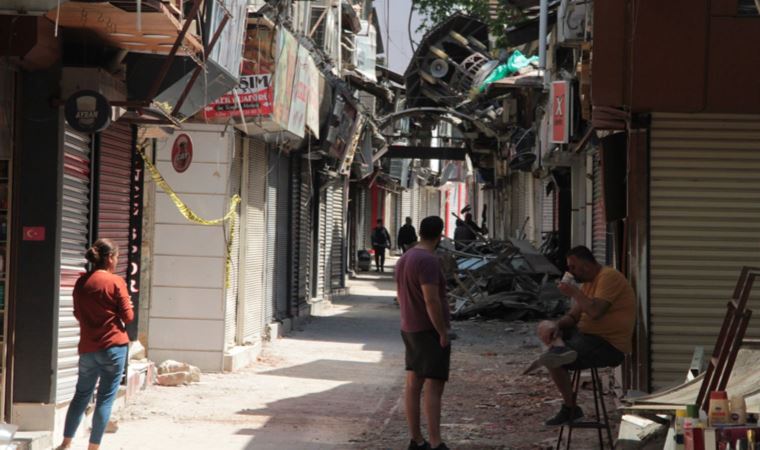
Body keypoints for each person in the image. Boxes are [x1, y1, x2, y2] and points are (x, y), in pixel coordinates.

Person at [535, 245, 635, 426]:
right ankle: (560, 347)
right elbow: (573, 316)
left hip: (608, 344)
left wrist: (573, 291)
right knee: (545, 326)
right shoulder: (589, 284)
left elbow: (596, 312)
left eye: (573, 267)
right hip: (587, 336)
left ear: (586, 266)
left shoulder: (609, 277)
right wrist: (557, 326)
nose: (570, 271)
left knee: (552, 361)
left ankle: (570, 408)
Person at [57, 239, 134, 450]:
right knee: (105, 399)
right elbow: (128, 317)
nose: (117, 261)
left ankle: (65, 443)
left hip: (88, 348)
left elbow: (76, 313)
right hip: (113, 347)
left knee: (81, 395)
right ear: (110, 258)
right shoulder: (116, 282)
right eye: (117, 257)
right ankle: (93, 447)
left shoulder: (82, 282)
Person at [395, 216, 451, 450]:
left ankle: (416, 440)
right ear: (440, 234)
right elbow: (431, 300)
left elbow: (400, 296)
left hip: (409, 326)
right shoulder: (428, 260)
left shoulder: (405, 258)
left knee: (413, 383)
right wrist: (443, 331)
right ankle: (436, 442)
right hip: (428, 330)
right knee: (434, 385)